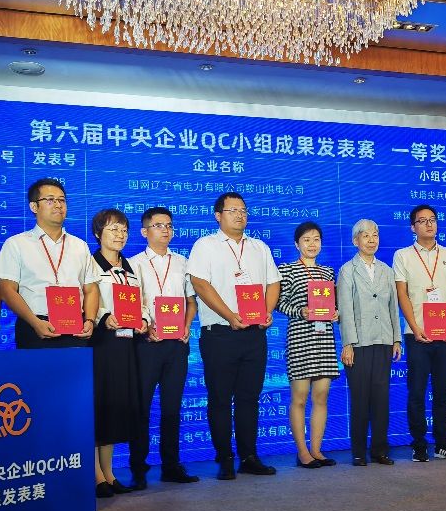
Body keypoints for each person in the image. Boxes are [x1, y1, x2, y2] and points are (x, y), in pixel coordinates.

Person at [187, 192, 281, 480]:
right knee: (219, 398)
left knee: (249, 398)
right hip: (220, 334)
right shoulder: (205, 245)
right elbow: (200, 284)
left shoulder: (259, 247)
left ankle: (249, 456)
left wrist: (267, 312)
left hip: (254, 334)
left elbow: (273, 283)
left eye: (243, 210)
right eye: (233, 210)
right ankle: (225, 458)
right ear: (218, 215)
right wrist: (230, 315)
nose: (240, 215)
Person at [128, 207, 199, 487]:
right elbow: (131, 303)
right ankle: (138, 467)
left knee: (172, 407)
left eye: (169, 225)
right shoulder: (133, 264)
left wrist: (187, 325)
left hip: (177, 345)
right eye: (158, 225)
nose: (165, 230)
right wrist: (146, 327)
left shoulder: (183, 262)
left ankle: (171, 465)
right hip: (147, 343)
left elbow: (190, 301)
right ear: (144, 231)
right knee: (141, 407)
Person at [393, 205, 446, 463]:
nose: (429, 224)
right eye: (422, 221)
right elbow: (402, 294)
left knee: (444, 392)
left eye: (432, 220)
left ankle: (443, 444)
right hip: (417, 335)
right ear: (413, 227)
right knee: (417, 392)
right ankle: (419, 444)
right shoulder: (403, 255)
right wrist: (414, 327)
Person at [0, 178, 99, 349]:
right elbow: (7, 290)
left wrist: (89, 320)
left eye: (62, 200)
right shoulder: (16, 244)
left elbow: (91, 288)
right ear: (34, 207)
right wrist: (34, 322)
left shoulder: (80, 245)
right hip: (34, 327)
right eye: (50, 200)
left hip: (75, 328)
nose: (58, 205)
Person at [88, 209, 146, 498]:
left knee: (114, 407)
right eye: (113, 229)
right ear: (98, 233)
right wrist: (103, 317)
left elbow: (141, 302)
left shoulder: (129, 267)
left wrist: (144, 319)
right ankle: (95, 475)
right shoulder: (90, 263)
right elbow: (87, 298)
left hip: (125, 343)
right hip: (101, 341)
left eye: (123, 230)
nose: (120, 235)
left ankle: (109, 473)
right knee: (98, 405)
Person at [337, 219, 402, 466]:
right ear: (356, 241)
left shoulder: (387, 270)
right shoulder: (347, 270)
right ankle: (358, 451)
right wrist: (348, 344)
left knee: (381, 399)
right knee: (360, 399)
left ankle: (380, 450)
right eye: (366, 236)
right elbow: (345, 309)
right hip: (359, 344)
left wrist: (396, 339)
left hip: (384, 340)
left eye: (375, 235)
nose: (371, 240)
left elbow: (393, 307)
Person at [276, 221, 340, 469]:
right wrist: (300, 311)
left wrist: (336, 313)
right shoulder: (288, 270)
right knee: (300, 398)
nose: (312, 244)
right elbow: (278, 303)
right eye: (306, 240)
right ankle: (302, 452)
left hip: (324, 340)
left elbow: (334, 304)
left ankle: (316, 450)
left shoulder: (327, 272)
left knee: (321, 396)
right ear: (297, 244)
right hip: (300, 339)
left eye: (316, 239)